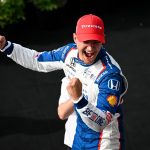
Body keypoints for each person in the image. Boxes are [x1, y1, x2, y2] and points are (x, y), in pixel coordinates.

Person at [0, 14, 128, 150]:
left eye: (95, 42)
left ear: (103, 40)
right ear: (75, 38)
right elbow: (37, 60)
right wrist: (6, 46)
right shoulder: (69, 52)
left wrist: (78, 99)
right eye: (86, 41)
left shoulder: (110, 75)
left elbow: (101, 123)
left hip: (105, 141)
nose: (90, 49)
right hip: (78, 137)